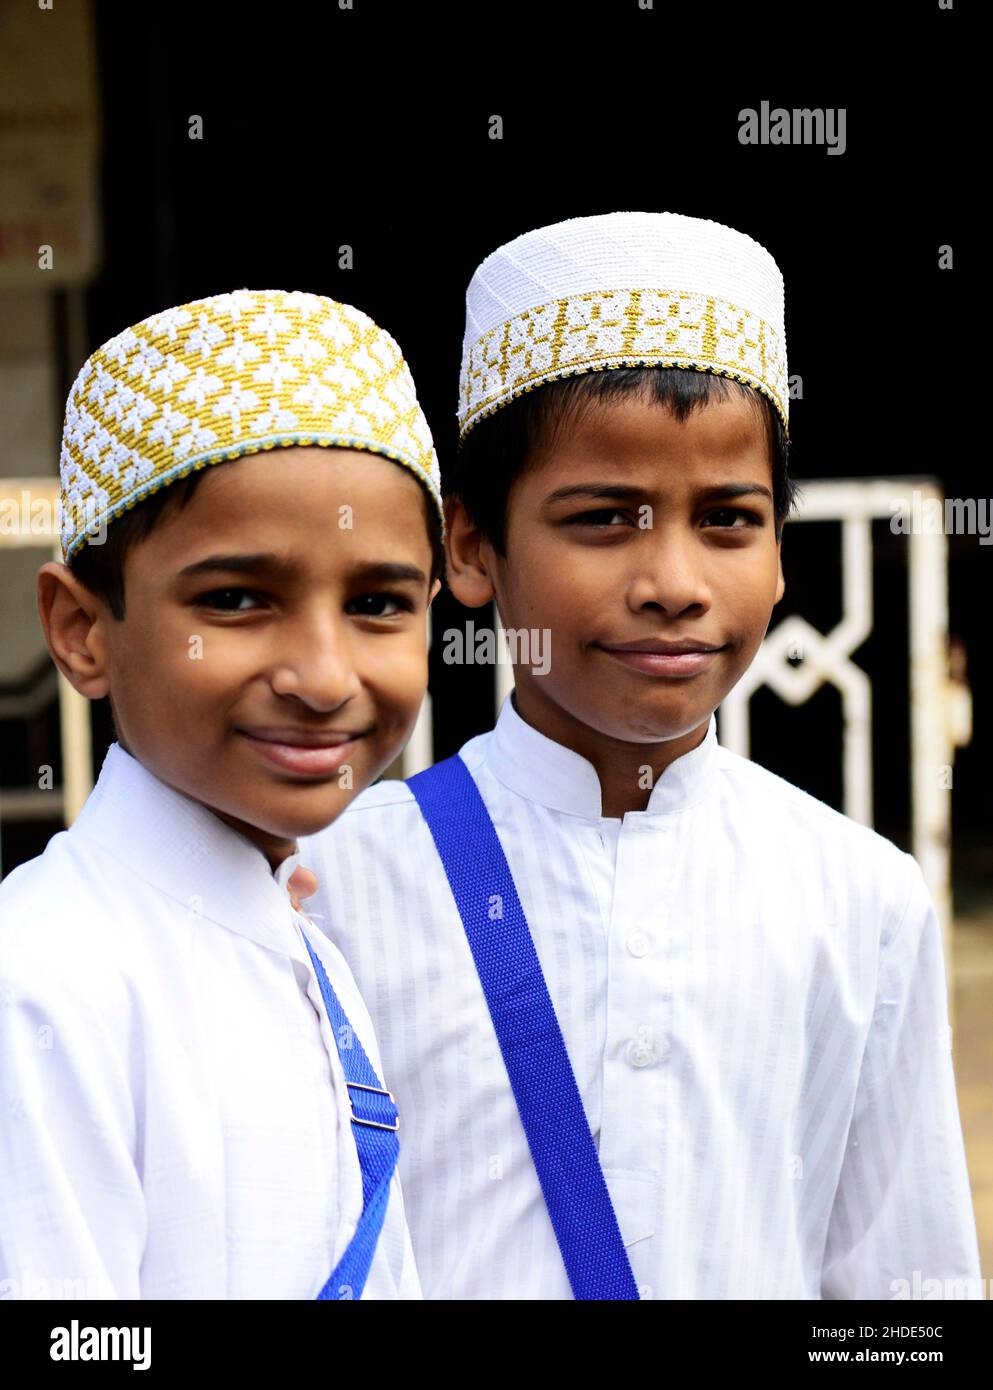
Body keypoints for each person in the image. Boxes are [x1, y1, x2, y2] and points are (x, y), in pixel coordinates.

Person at [299, 212, 983, 1300]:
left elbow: (906, 1285)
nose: (675, 580)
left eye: (728, 519)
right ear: (471, 550)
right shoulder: (329, 887)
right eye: (606, 518)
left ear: (779, 554)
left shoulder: (862, 898)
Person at [0, 288, 444, 1300]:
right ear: (81, 629)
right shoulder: (42, 984)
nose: (324, 675)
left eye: (377, 604)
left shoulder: (313, 964)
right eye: (238, 601)